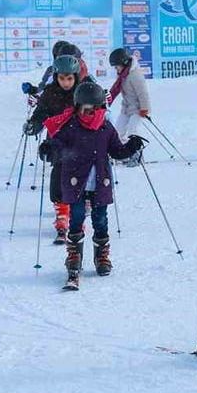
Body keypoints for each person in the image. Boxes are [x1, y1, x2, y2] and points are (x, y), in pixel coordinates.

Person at [38, 81, 145, 289]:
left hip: (99, 183)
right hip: (75, 183)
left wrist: (131, 146)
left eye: (94, 109)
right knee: (76, 218)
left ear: (100, 108)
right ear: (77, 107)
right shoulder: (70, 126)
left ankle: (102, 256)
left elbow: (117, 151)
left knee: (101, 220)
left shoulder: (105, 128)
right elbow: (57, 146)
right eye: (85, 109)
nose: (89, 113)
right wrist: (49, 149)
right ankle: (74, 255)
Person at [25, 54, 82, 245]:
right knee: (58, 177)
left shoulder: (82, 92)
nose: (66, 83)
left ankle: (77, 214)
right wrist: (34, 125)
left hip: (80, 141)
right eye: (62, 78)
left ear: (75, 77)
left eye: (69, 79)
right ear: (56, 76)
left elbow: (95, 111)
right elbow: (41, 113)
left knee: (78, 179)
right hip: (57, 141)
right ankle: (61, 214)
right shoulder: (50, 93)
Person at [106, 48, 151, 144]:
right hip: (126, 109)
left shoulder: (135, 75)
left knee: (132, 132)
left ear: (124, 62)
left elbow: (143, 93)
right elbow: (115, 90)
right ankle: (121, 152)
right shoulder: (123, 75)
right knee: (117, 133)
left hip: (138, 110)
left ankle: (136, 154)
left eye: (116, 66)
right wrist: (107, 100)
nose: (116, 69)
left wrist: (144, 109)